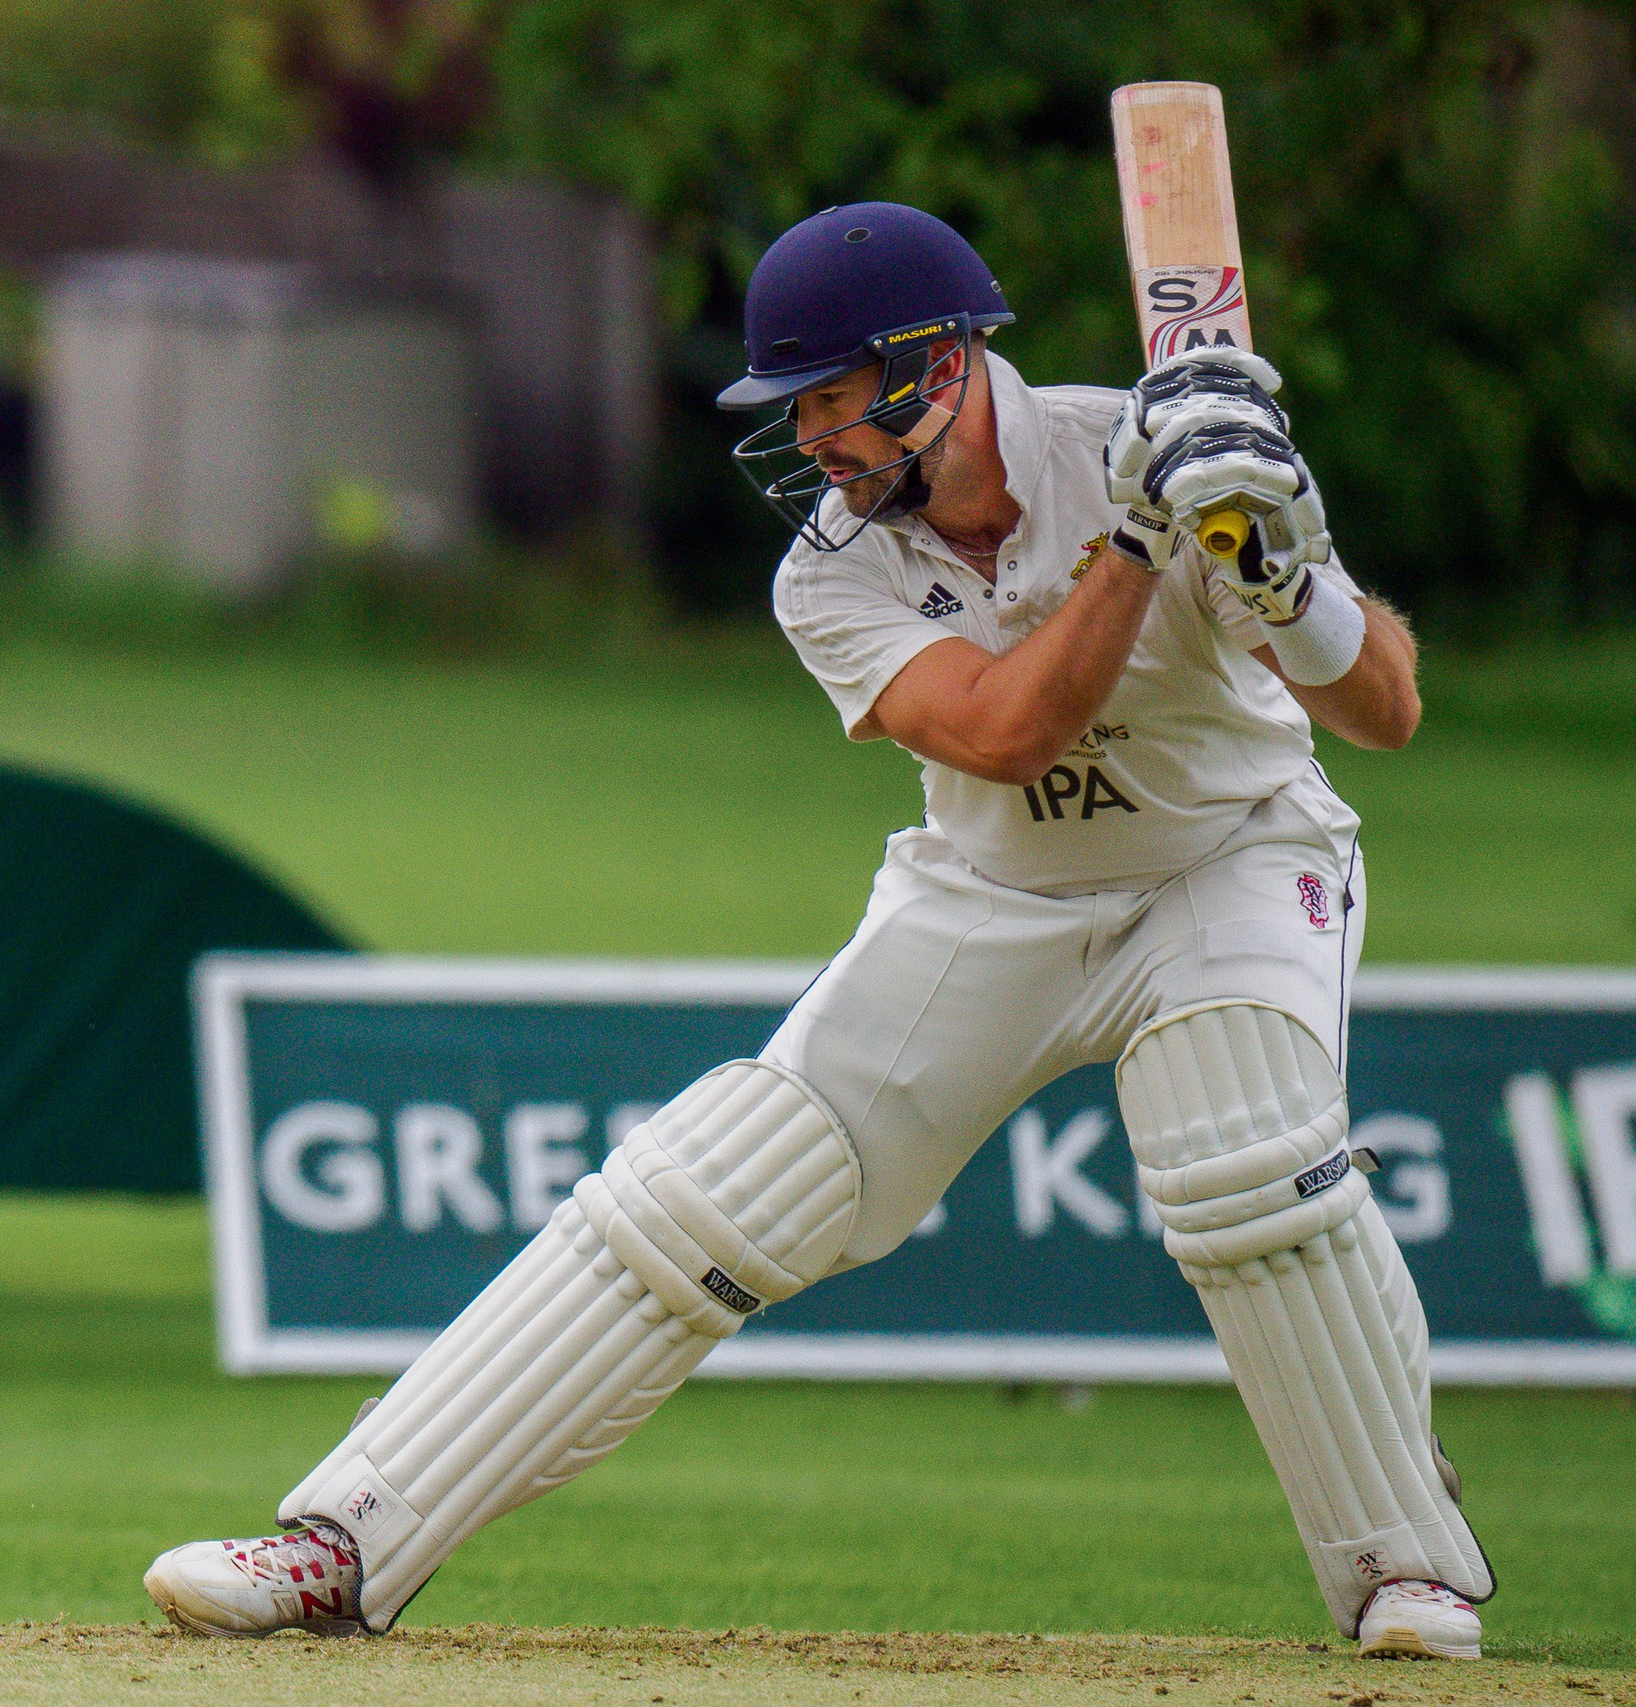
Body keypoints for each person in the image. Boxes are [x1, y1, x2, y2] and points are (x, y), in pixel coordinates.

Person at [142, 204, 1490, 1661]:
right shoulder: (837, 568)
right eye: (797, 410)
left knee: (1244, 1156)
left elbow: (1386, 711)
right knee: (701, 1197)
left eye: (831, 402)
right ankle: (343, 1541)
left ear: (935, 367)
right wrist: (1139, 540)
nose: (812, 444)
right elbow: (1004, 737)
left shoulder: (1169, 445)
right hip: (994, 893)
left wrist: (1283, 574)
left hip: (1230, 861)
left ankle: (1405, 1567)